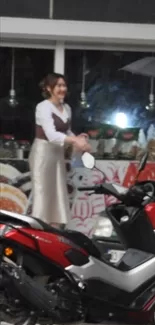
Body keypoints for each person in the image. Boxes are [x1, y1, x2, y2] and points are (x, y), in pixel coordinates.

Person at [29, 73, 90, 227]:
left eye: (64, 85)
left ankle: (55, 230)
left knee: (58, 193)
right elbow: (51, 135)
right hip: (43, 154)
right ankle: (39, 230)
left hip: (58, 155)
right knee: (43, 193)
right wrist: (75, 140)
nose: (62, 89)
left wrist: (80, 140)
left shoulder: (67, 108)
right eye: (58, 86)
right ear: (49, 88)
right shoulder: (43, 107)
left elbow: (67, 132)